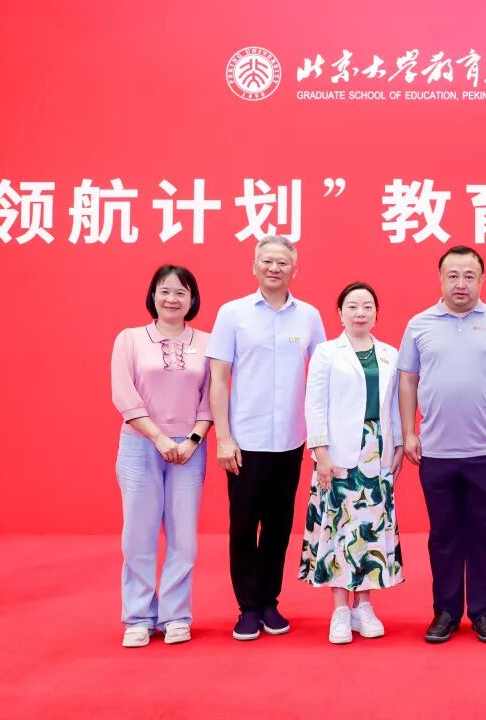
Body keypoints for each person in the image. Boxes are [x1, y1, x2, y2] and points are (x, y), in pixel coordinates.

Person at [398, 245, 486, 644]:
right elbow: (407, 380)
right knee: (444, 536)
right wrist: (409, 432)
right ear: (440, 279)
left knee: (484, 537)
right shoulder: (419, 325)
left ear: (482, 280)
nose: (461, 283)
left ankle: (484, 612)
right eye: (453, 275)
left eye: (469, 276)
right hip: (436, 451)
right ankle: (446, 612)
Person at [206, 235, 326, 641]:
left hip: (290, 440)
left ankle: (270, 601)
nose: (275, 268)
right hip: (246, 440)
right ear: (254, 266)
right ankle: (248, 607)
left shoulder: (308, 316)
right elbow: (218, 380)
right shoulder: (233, 314)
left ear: (295, 270)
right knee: (243, 525)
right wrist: (223, 437)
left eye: (282, 263)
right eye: (267, 261)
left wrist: (320, 436)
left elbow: (323, 375)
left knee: (278, 525)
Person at [110, 265, 212, 647]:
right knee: (138, 535)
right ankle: (138, 617)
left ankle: (176, 615)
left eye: (181, 292)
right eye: (164, 291)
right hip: (141, 445)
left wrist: (192, 440)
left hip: (189, 449)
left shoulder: (207, 342)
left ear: (192, 299)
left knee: (184, 537)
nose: (171, 298)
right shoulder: (130, 339)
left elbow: (211, 399)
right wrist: (158, 437)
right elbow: (124, 394)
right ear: (152, 295)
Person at [300, 282, 405, 644]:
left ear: (377, 313)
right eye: (352, 307)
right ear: (340, 313)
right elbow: (314, 404)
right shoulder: (327, 352)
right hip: (338, 452)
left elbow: (395, 404)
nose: (360, 313)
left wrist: (399, 443)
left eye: (367, 307)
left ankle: (364, 606)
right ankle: (340, 611)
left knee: (370, 528)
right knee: (339, 527)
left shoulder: (390, 353)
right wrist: (321, 453)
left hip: (377, 450)